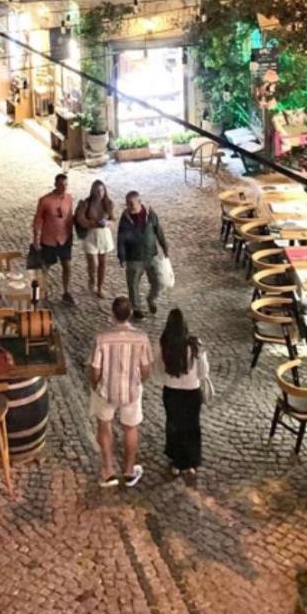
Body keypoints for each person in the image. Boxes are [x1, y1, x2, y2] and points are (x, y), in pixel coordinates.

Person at [89, 295, 153, 488]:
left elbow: (95, 369)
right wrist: (139, 381)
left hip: (106, 390)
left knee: (104, 426)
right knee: (131, 428)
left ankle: (108, 471)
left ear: (112, 314)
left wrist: (95, 384)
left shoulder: (102, 339)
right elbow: (146, 368)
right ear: (130, 313)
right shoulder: (141, 338)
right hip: (131, 390)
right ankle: (129, 470)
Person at [159, 308, 208, 486]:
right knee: (192, 426)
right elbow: (203, 372)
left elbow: (158, 367)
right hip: (191, 392)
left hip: (171, 391)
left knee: (174, 425)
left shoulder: (164, 345)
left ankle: (176, 461)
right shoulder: (195, 345)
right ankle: (190, 461)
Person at [116, 190, 168, 320]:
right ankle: (136, 309)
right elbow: (121, 238)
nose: (129, 206)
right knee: (133, 285)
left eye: (131, 203)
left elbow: (158, 230)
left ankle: (151, 299)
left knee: (158, 281)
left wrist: (164, 246)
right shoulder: (125, 218)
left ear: (139, 202)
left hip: (151, 255)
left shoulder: (150, 214)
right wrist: (121, 256)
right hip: (133, 257)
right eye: (127, 203)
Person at [32, 172, 75, 304]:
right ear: (55, 184)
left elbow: (70, 216)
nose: (64, 187)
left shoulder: (69, 199)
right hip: (49, 239)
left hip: (65, 238)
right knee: (45, 266)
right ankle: (43, 290)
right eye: (61, 185)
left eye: (66, 185)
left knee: (67, 265)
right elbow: (38, 219)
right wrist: (36, 238)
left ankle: (66, 292)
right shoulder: (45, 200)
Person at [75, 180, 115, 298]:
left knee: (103, 263)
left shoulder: (108, 204)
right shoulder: (86, 203)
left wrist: (108, 223)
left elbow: (113, 220)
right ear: (93, 191)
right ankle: (92, 280)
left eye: (102, 190)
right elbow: (80, 219)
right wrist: (94, 223)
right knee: (93, 264)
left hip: (104, 235)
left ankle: (100, 287)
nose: (100, 193)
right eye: (97, 190)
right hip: (91, 235)